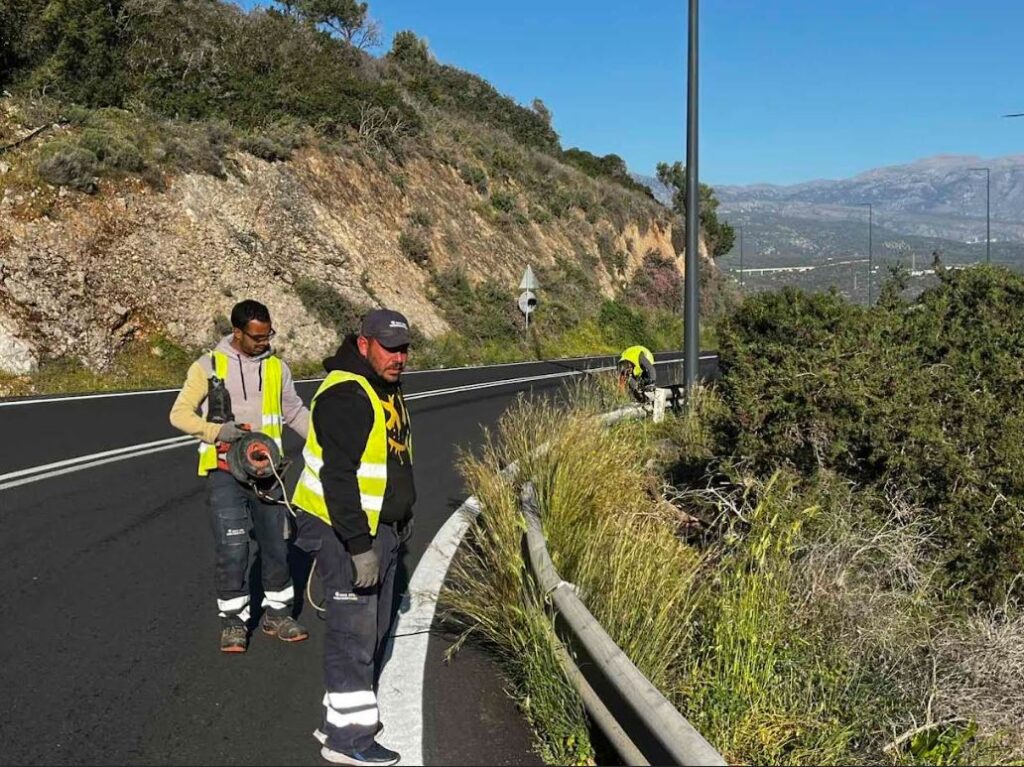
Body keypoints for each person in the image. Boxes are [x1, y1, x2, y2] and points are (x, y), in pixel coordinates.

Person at [292, 308, 415, 767]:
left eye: (404, 349)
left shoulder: (383, 385)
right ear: (364, 344)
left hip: (376, 529)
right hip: (345, 532)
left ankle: (335, 721)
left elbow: (391, 464)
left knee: (372, 630)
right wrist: (359, 546)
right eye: (389, 348)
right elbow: (338, 477)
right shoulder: (348, 392)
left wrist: (399, 523)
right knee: (354, 636)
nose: (399, 358)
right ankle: (348, 741)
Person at [169, 299, 311, 653]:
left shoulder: (278, 368)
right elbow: (179, 414)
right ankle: (233, 621)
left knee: (277, 546)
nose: (264, 342)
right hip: (224, 473)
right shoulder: (208, 366)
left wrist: (327, 444)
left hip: (269, 474)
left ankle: (278, 613)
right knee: (233, 548)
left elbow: (294, 412)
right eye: (257, 337)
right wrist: (217, 432)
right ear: (237, 332)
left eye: (268, 335)